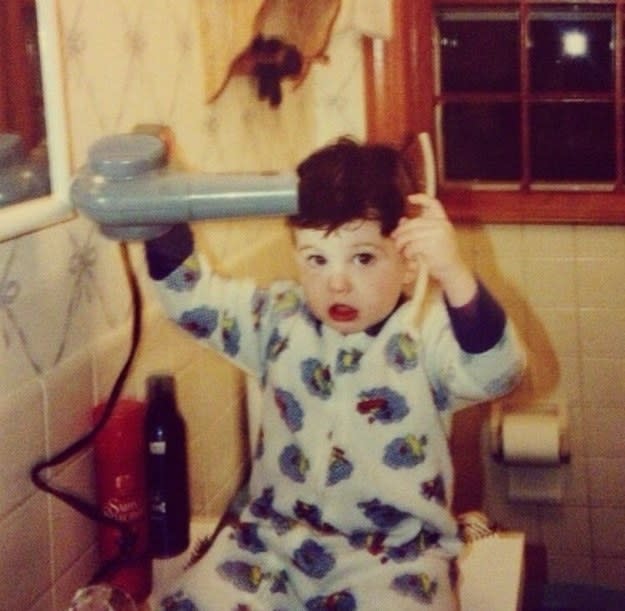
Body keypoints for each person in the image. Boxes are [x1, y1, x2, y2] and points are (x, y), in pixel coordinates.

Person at [145, 137, 526, 610]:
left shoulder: (425, 336)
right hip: (271, 546)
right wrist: (156, 208)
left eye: (362, 258)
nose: (337, 281)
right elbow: (190, 300)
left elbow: (499, 371)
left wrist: (454, 274)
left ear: (408, 264)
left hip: (397, 559)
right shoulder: (278, 318)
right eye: (316, 259)